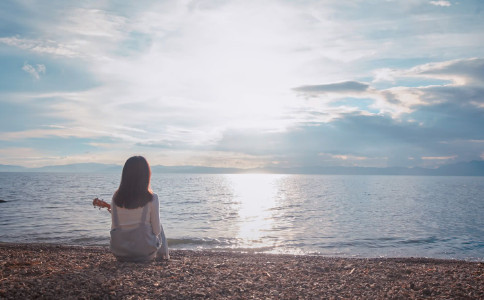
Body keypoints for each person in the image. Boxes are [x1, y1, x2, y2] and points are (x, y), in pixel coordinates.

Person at [110, 156, 169, 262]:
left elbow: (114, 227)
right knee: (159, 225)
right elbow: (156, 231)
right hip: (144, 253)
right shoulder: (152, 198)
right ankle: (164, 257)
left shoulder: (116, 197)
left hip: (119, 252)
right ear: (146, 175)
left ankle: (163, 256)